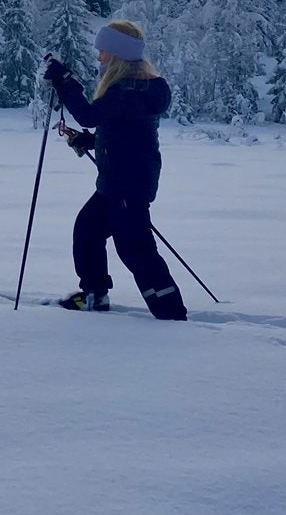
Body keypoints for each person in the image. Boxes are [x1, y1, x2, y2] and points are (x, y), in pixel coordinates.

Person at [43, 20, 187, 320]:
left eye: (103, 51)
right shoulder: (136, 88)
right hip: (119, 182)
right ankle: (94, 295)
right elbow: (125, 133)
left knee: (136, 250)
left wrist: (65, 83)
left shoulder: (127, 90)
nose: (99, 58)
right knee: (87, 231)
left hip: (126, 185)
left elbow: (88, 114)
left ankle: (171, 314)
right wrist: (91, 141)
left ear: (118, 54)